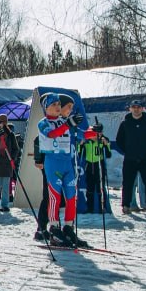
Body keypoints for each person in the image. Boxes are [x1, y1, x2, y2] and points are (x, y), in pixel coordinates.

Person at [37, 94, 86, 247]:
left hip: (66, 163)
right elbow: (51, 134)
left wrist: (95, 133)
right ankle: (54, 228)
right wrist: (68, 124)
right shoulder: (43, 122)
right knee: (54, 197)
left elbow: (82, 134)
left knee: (72, 197)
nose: (58, 107)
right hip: (53, 162)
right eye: (53, 104)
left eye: (59, 104)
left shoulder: (64, 121)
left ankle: (68, 227)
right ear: (46, 107)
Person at [115, 100, 146, 215]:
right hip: (130, 159)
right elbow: (119, 140)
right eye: (134, 107)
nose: (136, 109)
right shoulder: (125, 123)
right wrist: (127, 151)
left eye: (138, 107)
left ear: (142, 108)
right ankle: (126, 206)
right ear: (130, 109)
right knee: (128, 183)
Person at [77, 124, 112, 214]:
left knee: (100, 187)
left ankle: (102, 207)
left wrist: (106, 144)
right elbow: (80, 153)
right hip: (89, 165)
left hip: (99, 165)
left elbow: (108, 155)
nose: (98, 135)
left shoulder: (102, 141)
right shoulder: (87, 141)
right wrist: (81, 145)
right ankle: (90, 208)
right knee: (90, 188)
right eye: (96, 133)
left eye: (100, 133)